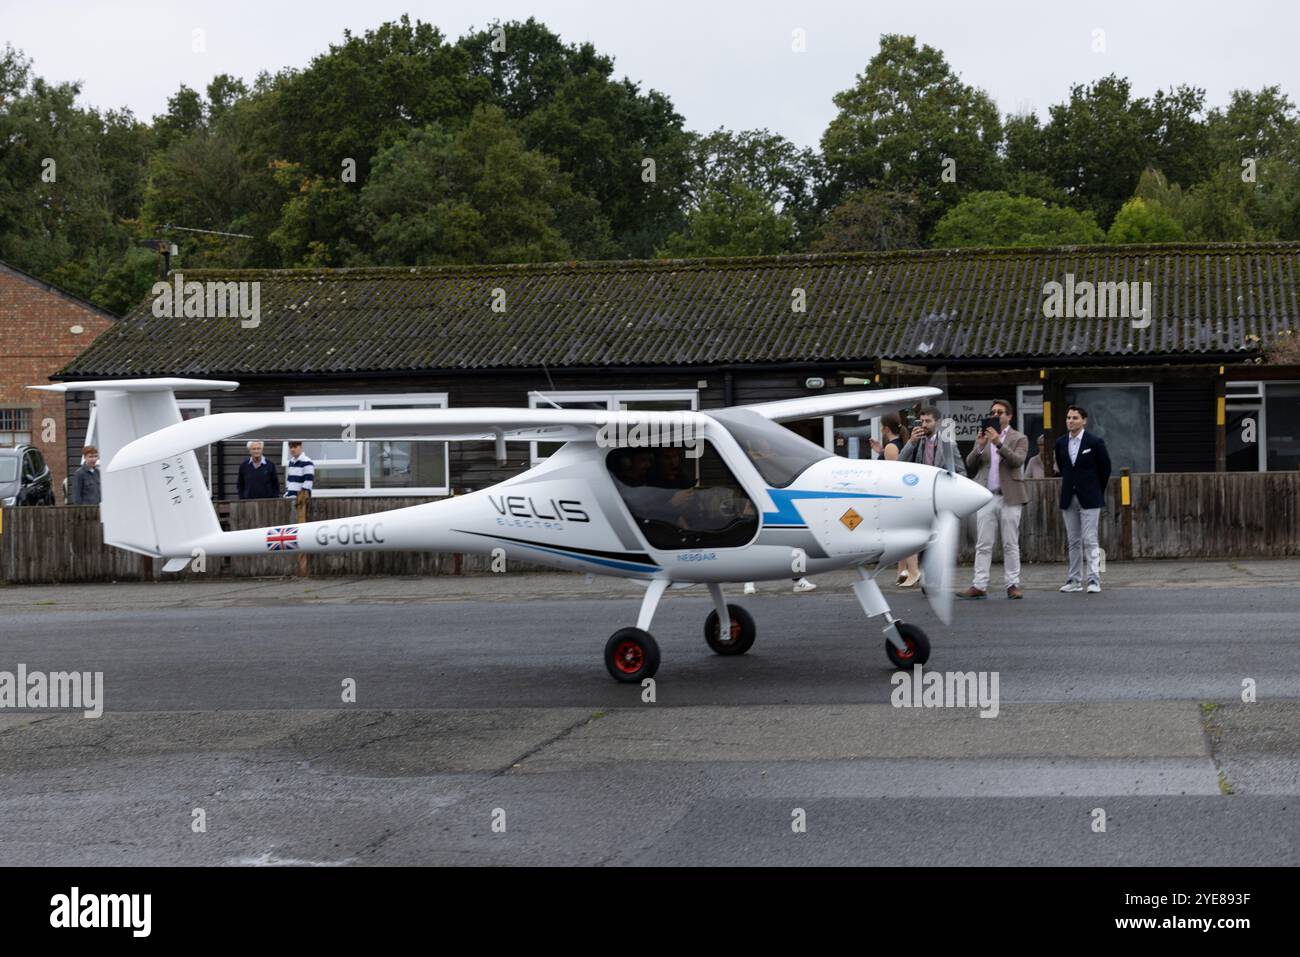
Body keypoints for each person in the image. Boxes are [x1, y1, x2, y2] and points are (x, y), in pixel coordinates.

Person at [957, 399, 1029, 600]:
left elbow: (1017, 461)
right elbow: (970, 464)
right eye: (993, 412)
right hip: (987, 495)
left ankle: (1012, 584)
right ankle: (979, 585)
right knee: (983, 543)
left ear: (1009, 416)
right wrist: (980, 447)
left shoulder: (1019, 437)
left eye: (1000, 412)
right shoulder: (984, 436)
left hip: (1010, 495)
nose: (995, 416)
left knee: (1010, 543)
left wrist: (998, 442)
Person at [1055, 405, 1112, 594]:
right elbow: (1063, 468)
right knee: (1073, 540)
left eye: (1075, 418)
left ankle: (1094, 579)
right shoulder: (1061, 443)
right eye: (1068, 418)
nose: (1070, 421)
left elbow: (1105, 469)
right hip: (1068, 496)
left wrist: (1096, 490)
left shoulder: (1095, 442)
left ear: (1084, 420)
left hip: (1090, 496)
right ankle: (1074, 580)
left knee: (1090, 539)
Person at [870, 413, 920, 587]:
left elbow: (895, 473)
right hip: (906, 495)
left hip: (898, 496)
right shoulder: (896, 445)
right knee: (901, 535)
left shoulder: (892, 446)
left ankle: (913, 571)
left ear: (884, 428)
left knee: (904, 536)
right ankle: (902, 572)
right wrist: (881, 452)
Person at [899, 406, 967, 476]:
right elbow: (899, 463)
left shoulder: (949, 444)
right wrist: (911, 441)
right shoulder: (917, 441)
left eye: (928, 421)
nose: (924, 425)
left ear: (937, 422)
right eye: (922, 421)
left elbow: (962, 473)